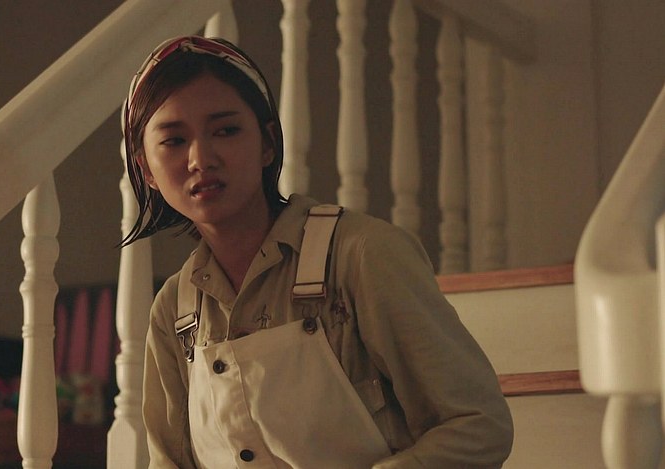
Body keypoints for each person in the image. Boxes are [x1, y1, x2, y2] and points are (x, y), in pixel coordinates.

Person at [121, 35, 513, 468]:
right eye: (174, 140)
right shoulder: (174, 312)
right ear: (146, 169)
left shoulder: (362, 255)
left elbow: (478, 425)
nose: (201, 158)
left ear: (268, 143)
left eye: (226, 130)